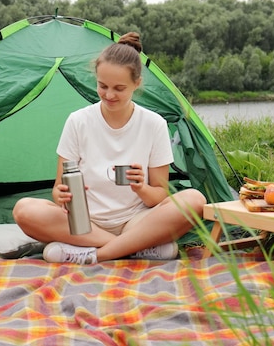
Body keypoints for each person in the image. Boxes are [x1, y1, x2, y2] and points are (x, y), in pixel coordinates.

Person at [13, 32, 206, 264]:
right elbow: (58, 190)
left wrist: (141, 187)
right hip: (84, 223)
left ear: (137, 83)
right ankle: (135, 248)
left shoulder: (154, 124)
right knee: (24, 210)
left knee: (195, 200)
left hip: (135, 221)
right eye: (102, 86)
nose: (109, 95)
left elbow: (159, 196)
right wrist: (62, 196)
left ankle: (95, 254)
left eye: (119, 88)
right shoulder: (78, 121)